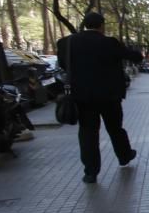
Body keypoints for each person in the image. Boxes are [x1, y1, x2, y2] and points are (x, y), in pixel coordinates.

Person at [57, 11, 143, 184]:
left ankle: (91, 172)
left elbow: (63, 65)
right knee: (115, 128)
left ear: (84, 25)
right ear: (101, 25)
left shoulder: (66, 43)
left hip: (82, 97)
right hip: (109, 96)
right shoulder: (109, 43)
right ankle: (124, 156)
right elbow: (134, 57)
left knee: (88, 133)